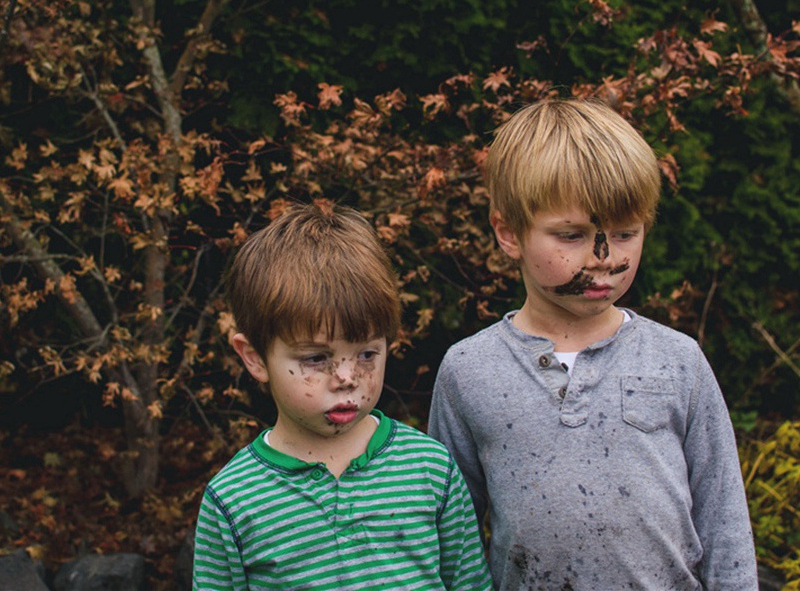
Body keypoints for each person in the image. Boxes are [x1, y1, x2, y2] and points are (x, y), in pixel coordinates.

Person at [428, 98, 758, 590]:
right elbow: (451, 533)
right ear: (508, 232)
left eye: (625, 233)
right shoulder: (469, 370)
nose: (603, 258)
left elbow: (724, 514)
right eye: (571, 236)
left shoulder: (678, 360)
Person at [192, 202, 493, 591]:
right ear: (254, 358)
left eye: (367, 353)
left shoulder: (431, 469)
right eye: (316, 358)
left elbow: (470, 584)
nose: (347, 378)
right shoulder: (232, 501)